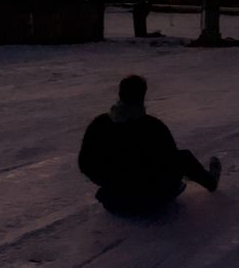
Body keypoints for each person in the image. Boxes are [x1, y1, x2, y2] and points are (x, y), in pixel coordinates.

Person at [78, 74, 221, 213]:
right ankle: (210, 182)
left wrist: (109, 184)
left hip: (114, 202)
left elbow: (84, 163)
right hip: (152, 201)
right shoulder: (153, 126)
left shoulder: (100, 124)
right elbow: (172, 160)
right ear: (142, 96)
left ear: (120, 94)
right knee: (183, 157)